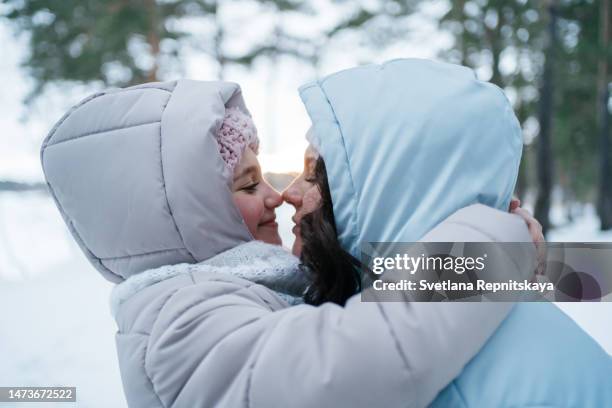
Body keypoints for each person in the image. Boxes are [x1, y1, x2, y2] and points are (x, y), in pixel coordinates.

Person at [42, 78, 535, 408]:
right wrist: (491, 251)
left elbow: (352, 294)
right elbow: (351, 363)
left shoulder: (230, 295)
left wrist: (536, 266)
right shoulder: (181, 321)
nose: (279, 196)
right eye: (248, 185)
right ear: (181, 216)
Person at [286, 58, 612, 407]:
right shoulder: (454, 318)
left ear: (390, 190)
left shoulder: (429, 381)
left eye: (311, 175)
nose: (286, 194)